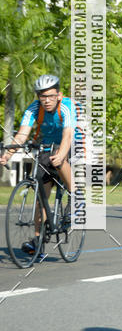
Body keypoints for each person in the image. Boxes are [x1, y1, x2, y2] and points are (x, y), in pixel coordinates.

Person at [0, 74, 76, 254]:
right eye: (42, 96)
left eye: (50, 96)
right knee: (41, 199)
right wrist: (7, 155)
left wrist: (62, 154)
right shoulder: (33, 109)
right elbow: (22, 135)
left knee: (59, 155)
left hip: (71, 144)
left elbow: (67, 135)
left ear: (59, 95)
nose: (46, 100)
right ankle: (37, 241)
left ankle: (75, 195)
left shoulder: (66, 107)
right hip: (46, 147)